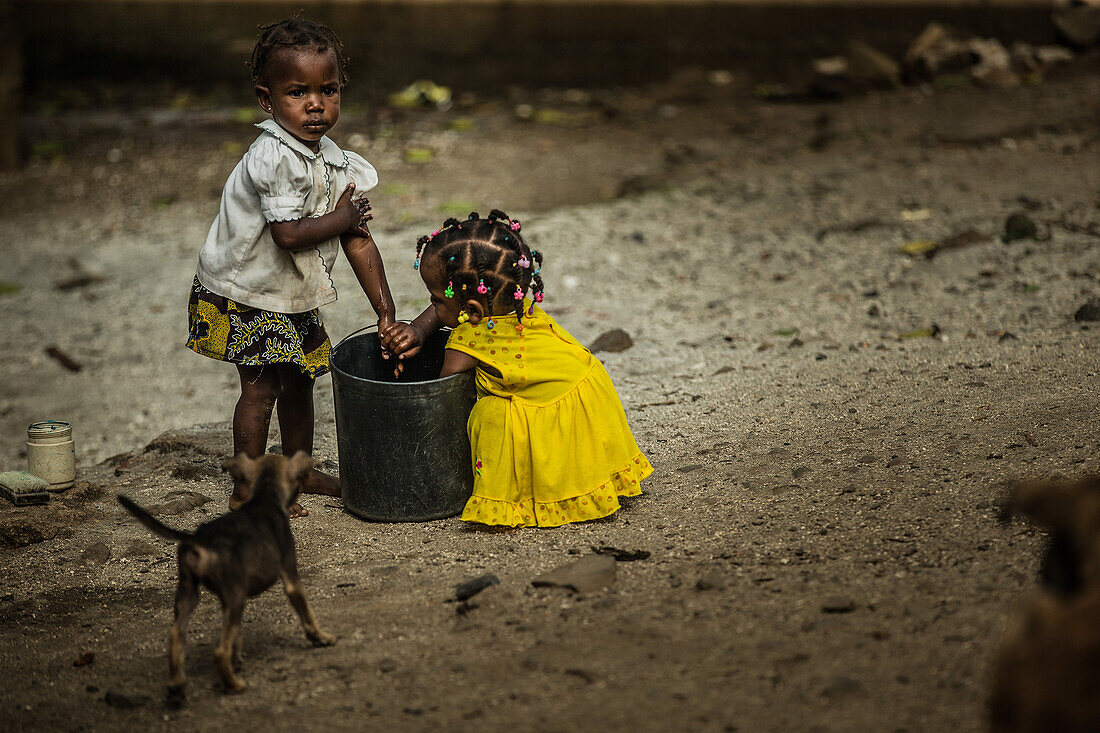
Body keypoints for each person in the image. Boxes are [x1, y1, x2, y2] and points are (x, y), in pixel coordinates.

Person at [186, 17, 396, 517]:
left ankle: (297, 471)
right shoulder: (272, 158)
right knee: (260, 392)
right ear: (267, 99)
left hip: (290, 293)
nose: (316, 104)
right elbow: (288, 234)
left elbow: (357, 241)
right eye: (297, 92)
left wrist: (386, 311)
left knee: (301, 381)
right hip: (247, 292)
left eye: (329, 90)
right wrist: (344, 214)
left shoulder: (333, 159)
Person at [383, 210, 652, 527]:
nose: (433, 306)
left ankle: (512, 499)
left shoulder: (468, 339)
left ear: (470, 309)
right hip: (586, 386)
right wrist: (419, 329)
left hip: (554, 409)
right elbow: (459, 302)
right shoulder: (512, 300)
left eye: (436, 299)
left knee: (491, 413)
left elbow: (439, 399)